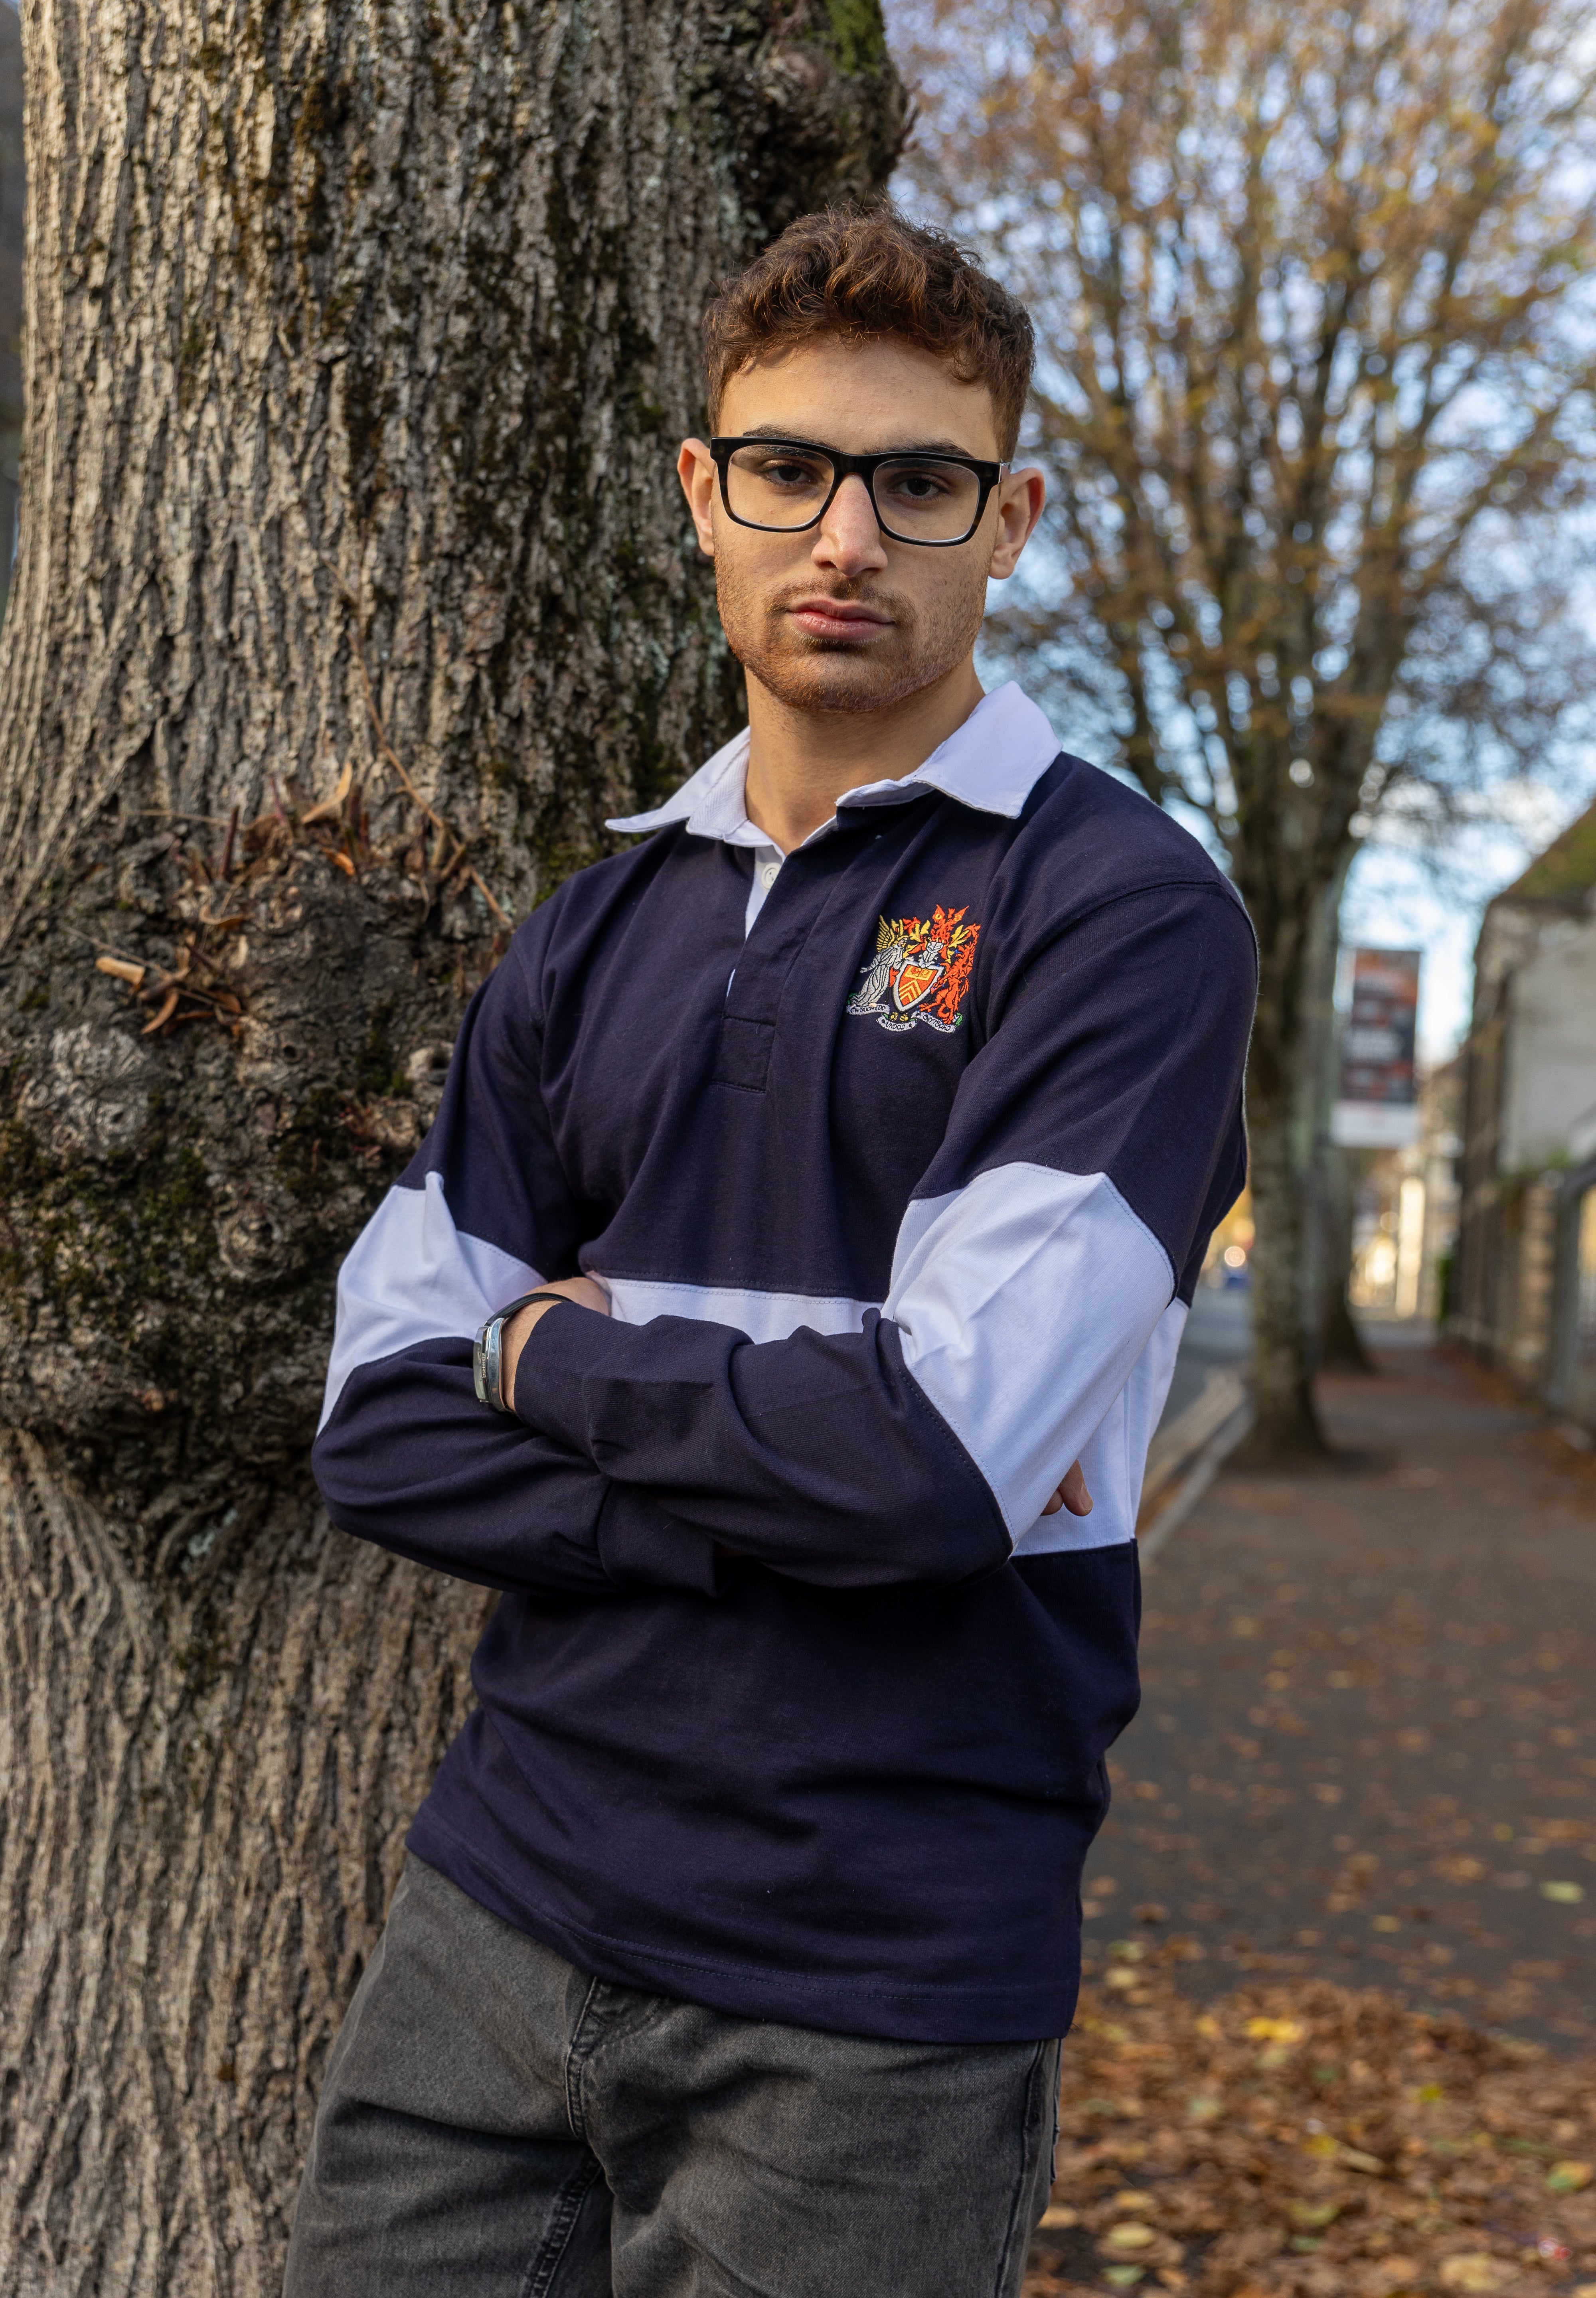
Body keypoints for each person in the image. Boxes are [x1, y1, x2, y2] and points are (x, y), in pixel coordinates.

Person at [287, 205, 1254, 2298]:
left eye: (918, 484)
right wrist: (772, 1509)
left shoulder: (1121, 915)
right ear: (701, 496)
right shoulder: (599, 925)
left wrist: (547, 1361)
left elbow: (937, 1467)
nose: (847, 538)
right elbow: (374, 1421)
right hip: (496, 1908)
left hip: (871, 1989)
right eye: (790, 469)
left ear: (1009, 522)